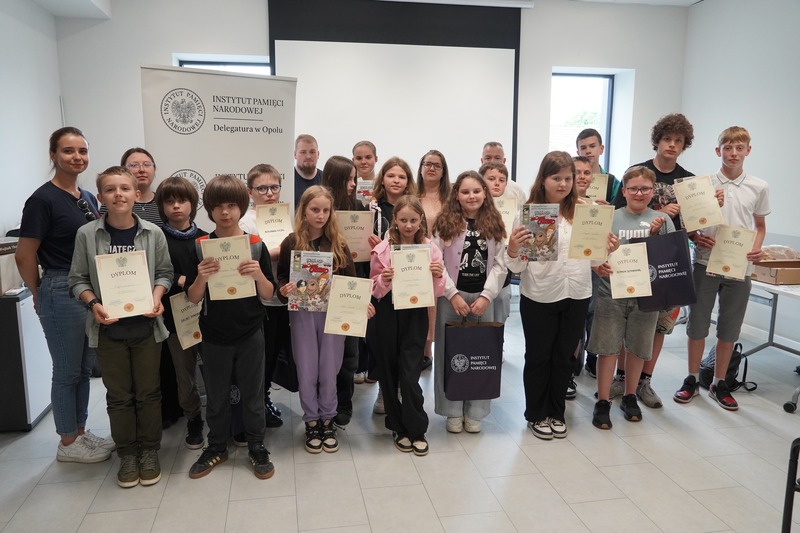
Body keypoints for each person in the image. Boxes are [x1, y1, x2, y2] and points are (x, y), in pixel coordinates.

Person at [68, 165, 173, 487]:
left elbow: (164, 273)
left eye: (125, 188)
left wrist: (156, 297)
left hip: (146, 329)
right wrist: (94, 304)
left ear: (136, 194)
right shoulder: (87, 235)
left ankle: (149, 450)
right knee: (118, 397)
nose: (118, 195)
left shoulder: (153, 233)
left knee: (148, 393)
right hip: (108, 330)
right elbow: (77, 279)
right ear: (100, 197)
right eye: (111, 190)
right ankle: (127, 453)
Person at [16, 126, 113, 464]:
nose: (77, 157)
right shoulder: (42, 200)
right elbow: (25, 255)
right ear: (53, 155)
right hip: (59, 288)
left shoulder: (85, 197)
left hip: (87, 289)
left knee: (84, 369)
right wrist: (38, 293)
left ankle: (80, 432)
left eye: (82, 151)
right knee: (67, 370)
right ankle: (67, 441)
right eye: (69, 150)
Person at [506, 152, 616, 440]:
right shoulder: (530, 213)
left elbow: (594, 260)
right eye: (557, 178)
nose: (564, 184)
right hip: (539, 296)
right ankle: (536, 414)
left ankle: (556, 413)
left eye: (568, 178)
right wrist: (513, 249)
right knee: (538, 358)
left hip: (576, 293)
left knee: (564, 357)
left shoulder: (585, 211)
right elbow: (517, 267)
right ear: (543, 179)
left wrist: (608, 248)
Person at [185, 175, 276, 480]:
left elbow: (268, 294)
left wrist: (258, 275)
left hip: (250, 332)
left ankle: (257, 445)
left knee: (253, 393)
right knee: (216, 394)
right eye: (218, 206)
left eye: (232, 205)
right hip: (214, 333)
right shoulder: (200, 247)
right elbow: (193, 298)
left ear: (242, 207)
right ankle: (216, 445)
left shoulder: (255, 245)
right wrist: (201, 277)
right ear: (209, 209)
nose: (225, 212)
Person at [674, 126, 769, 411]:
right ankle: (692, 379)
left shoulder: (759, 186)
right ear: (718, 151)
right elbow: (690, 223)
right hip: (705, 262)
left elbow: (760, 226)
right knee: (697, 325)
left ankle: (719, 383)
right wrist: (695, 236)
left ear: (748, 150)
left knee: (729, 328)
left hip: (740, 267)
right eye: (728, 148)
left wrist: (757, 248)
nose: (733, 153)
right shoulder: (702, 184)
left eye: (739, 148)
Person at [611, 113, 698, 408]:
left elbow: (691, 228)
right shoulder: (637, 172)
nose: (672, 145)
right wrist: (660, 212)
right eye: (667, 139)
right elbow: (621, 214)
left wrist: (707, 212)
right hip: (631, 264)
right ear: (657, 141)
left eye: (678, 141)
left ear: (684, 145)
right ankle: (622, 377)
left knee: (659, 326)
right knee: (628, 324)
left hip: (668, 264)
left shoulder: (688, 181)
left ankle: (644, 381)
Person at [277, 186, 362, 453]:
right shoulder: (291, 242)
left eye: (326, 210)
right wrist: (284, 290)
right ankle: (311, 421)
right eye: (315, 209)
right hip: (302, 313)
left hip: (332, 314)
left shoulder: (339, 243)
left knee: (329, 369)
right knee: (306, 369)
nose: (321, 215)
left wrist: (360, 304)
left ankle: (328, 419)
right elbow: (282, 277)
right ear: (304, 211)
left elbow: (352, 281)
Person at [589, 166, 674, 430]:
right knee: (607, 349)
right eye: (633, 188)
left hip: (645, 297)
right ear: (624, 191)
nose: (639, 193)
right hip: (610, 293)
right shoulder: (610, 218)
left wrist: (657, 236)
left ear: (653, 191)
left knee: (638, 348)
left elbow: (670, 258)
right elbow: (593, 252)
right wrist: (600, 262)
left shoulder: (662, 220)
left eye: (645, 188)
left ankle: (629, 396)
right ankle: (603, 400)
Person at [431, 170, 506, 434]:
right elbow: (437, 262)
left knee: (482, 355)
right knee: (449, 354)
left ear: (485, 193)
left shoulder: (494, 223)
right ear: (456, 195)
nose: (471, 196)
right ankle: (451, 411)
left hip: (483, 299)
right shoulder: (444, 223)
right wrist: (452, 294)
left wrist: (487, 296)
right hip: (451, 298)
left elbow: (500, 264)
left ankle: (476, 412)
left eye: (476, 191)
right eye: (465, 192)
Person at [370, 195, 446, 455]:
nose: (408, 225)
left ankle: (417, 428)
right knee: (389, 371)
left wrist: (437, 275)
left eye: (413, 220)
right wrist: (384, 279)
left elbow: (438, 290)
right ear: (395, 220)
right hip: (388, 314)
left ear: (421, 220)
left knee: (410, 373)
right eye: (403, 220)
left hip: (415, 313)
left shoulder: (429, 248)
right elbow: (374, 289)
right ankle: (397, 426)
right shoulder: (383, 249)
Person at [155, 176, 208, 449]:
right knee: (184, 373)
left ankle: (220, 414)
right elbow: (151, 270)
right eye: (170, 201)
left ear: (193, 203)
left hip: (207, 314)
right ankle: (193, 418)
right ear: (162, 206)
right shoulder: (155, 237)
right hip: (175, 317)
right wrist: (180, 279)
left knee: (213, 368)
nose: (176, 206)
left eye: (182, 200)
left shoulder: (205, 238)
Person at [367, 157, 418, 413]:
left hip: (410, 284)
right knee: (382, 340)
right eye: (391, 175)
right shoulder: (371, 207)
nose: (396, 180)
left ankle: (400, 389)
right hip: (381, 280)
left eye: (401, 176)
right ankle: (383, 389)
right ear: (382, 178)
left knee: (405, 341)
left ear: (408, 181)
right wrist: (377, 248)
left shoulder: (414, 207)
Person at [239, 163, 286, 429]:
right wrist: (283, 249)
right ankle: (257, 403)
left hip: (284, 297)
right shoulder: (246, 222)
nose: (269, 193)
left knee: (275, 353)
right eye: (262, 188)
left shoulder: (286, 217)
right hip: (259, 300)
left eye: (274, 187)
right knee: (261, 357)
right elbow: (251, 258)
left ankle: (265, 397)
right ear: (250, 192)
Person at [321, 155, 363, 425]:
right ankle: (324, 401)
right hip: (320, 289)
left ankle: (344, 401)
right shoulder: (319, 207)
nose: (353, 184)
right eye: (348, 179)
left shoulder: (358, 207)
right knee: (324, 353)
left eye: (354, 179)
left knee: (349, 351)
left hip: (350, 285)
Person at [416, 149, 451, 366]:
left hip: (444, 260)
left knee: (438, 306)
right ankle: (423, 351)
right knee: (422, 306)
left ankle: (431, 352)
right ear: (420, 168)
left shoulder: (451, 198)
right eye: (427, 164)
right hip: (416, 261)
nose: (431, 168)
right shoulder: (412, 196)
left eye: (437, 165)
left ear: (443, 171)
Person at [479, 161, 515, 341]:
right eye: (491, 179)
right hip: (478, 278)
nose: (496, 183)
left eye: (501, 180)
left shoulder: (514, 209)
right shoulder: (473, 209)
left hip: (503, 277)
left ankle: (496, 347)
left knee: (499, 318)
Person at [115, 148, 164, 227]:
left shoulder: (165, 202)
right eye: (134, 165)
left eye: (146, 165)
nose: (142, 170)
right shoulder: (114, 202)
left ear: (154, 169)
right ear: (123, 171)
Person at [575, 129, 620, 205]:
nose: (588, 151)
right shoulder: (569, 180)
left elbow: (619, 208)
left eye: (592, 146)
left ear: (601, 149)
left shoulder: (613, 182)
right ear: (578, 152)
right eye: (583, 148)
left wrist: (608, 208)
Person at [294, 134, 322, 208]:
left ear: (318, 154)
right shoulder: (288, 180)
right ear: (295, 154)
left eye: (312, 152)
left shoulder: (325, 178)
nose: (308, 156)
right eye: (303, 152)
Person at [353, 140, 379, 206]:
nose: (363, 162)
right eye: (359, 158)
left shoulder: (383, 185)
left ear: (376, 159)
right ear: (353, 160)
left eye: (368, 157)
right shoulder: (347, 186)